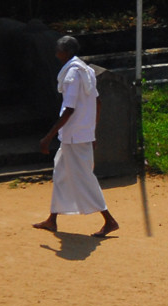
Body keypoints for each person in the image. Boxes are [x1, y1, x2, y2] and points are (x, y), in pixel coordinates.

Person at [34, 36, 119, 237]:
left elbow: (69, 109)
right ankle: (52, 219)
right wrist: (92, 131)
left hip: (73, 137)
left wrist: (48, 137)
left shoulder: (73, 74)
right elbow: (97, 103)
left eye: (58, 49)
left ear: (64, 52)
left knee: (84, 177)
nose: (56, 53)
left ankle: (109, 220)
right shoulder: (87, 70)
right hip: (80, 135)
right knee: (61, 174)